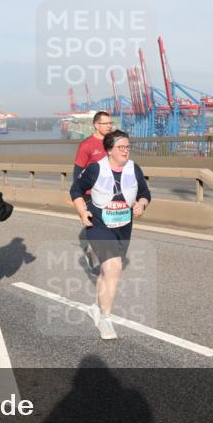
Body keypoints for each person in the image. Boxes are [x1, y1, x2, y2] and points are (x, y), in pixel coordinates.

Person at [70, 130, 150, 340]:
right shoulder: (96, 169)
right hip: (98, 224)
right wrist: (81, 210)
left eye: (128, 147)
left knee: (108, 271)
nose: (126, 151)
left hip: (123, 226)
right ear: (109, 150)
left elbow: (144, 193)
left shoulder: (134, 168)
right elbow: (76, 189)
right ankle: (105, 318)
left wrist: (142, 204)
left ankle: (96, 308)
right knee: (113, 267)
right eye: (121, 147)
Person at [73, 111, 113, 272]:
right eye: (106, 123)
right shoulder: (86, 145)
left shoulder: (113, 143)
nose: (110, 126)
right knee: (97, 227)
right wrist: (79, 197)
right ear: (97, 125)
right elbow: (78, 173)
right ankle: (95, 256)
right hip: (90, 194)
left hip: (111, 193)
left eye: (111, 123)